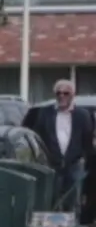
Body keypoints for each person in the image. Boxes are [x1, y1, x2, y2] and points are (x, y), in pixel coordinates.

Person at [23, 80, 95, 213]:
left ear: (72, 95)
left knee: (72, 201)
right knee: (51, 199)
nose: (62, 96)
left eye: (66, 93)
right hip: (51, 165)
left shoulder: (83, 115)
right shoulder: (45, 113)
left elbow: (88, 141)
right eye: (58, 93)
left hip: (74, 164)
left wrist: (85, 161)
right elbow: (37, 136)